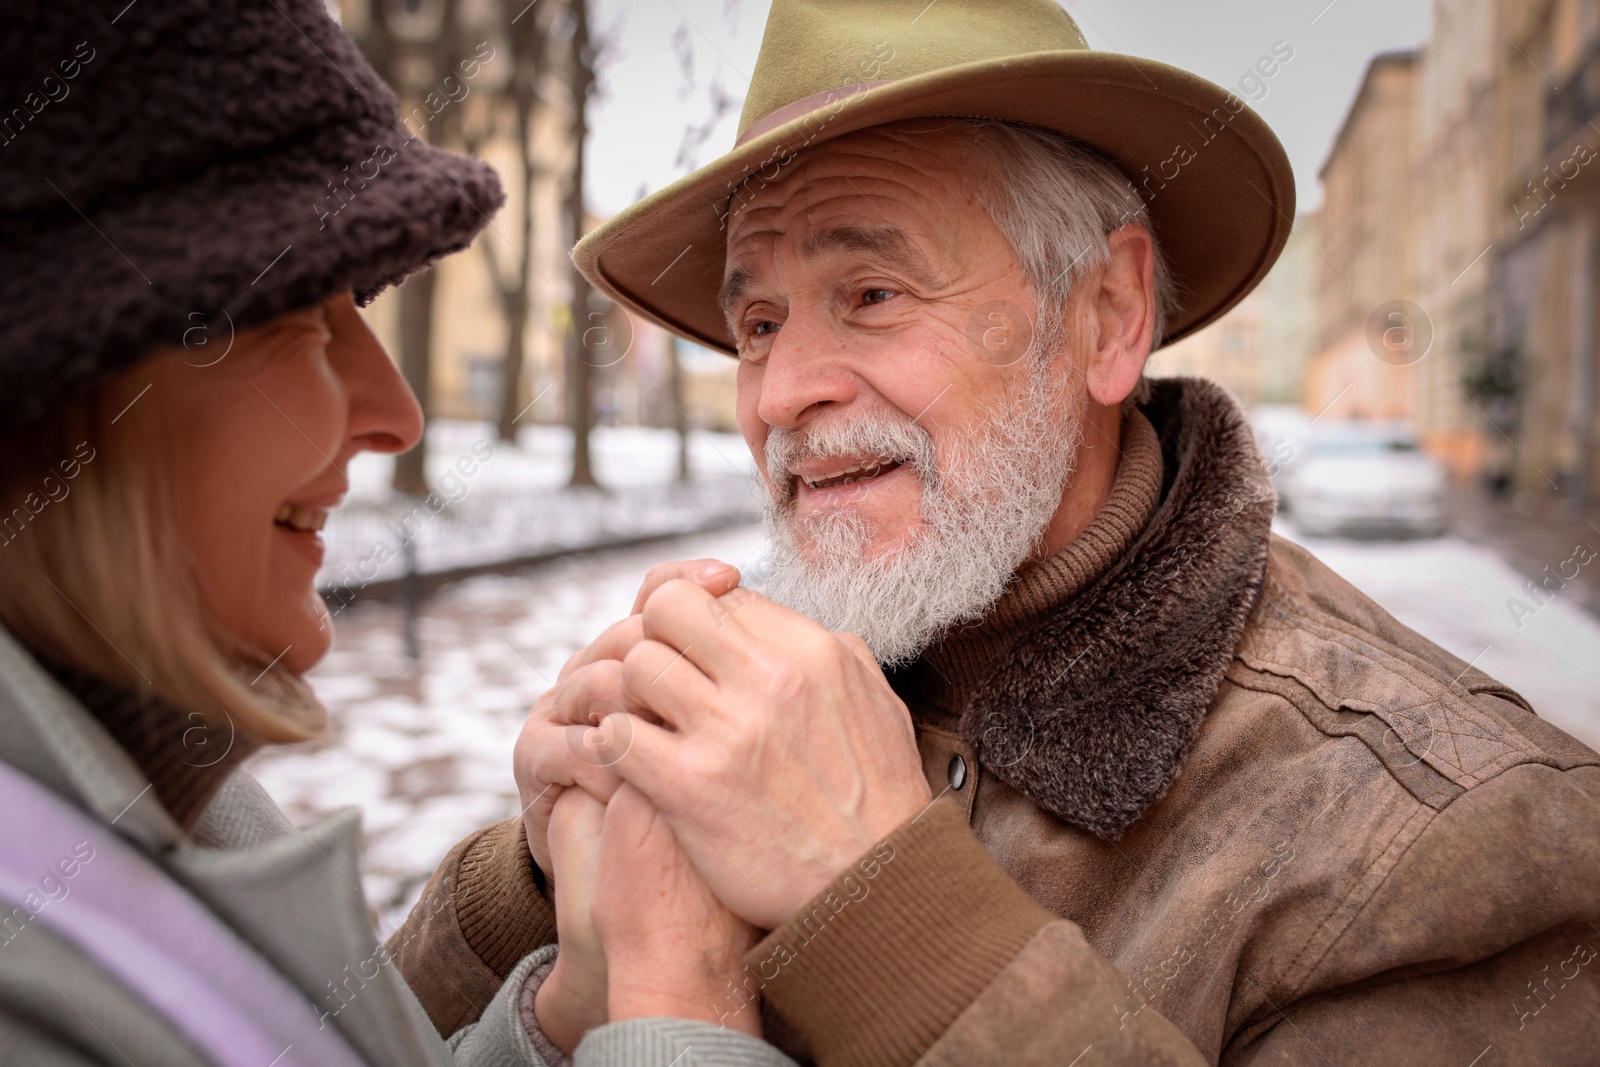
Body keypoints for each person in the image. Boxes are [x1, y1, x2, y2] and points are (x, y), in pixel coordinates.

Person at [398, 0, 1600, 1063]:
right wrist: (537, 888)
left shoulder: (1450, 831)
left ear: (1106, 317)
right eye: (756, 322)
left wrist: (882, 914)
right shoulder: (735, 703)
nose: (779, 394)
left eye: (870, 294)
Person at [0, 2, 783, 1065]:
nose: (396, 413)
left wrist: (572, 1008)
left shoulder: (154, 791)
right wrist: (679, 1005)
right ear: (56, 385)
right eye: (296, 318)